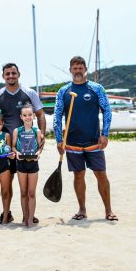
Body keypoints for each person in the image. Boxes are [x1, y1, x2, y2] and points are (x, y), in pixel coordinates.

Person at [54, 55, 118, 222]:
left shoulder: (97, 88)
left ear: (85, 69)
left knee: (101, 174)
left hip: (94, 141)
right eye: (75, 68)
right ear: (70, 70)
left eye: (80, 68)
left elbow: (107, 111)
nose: (78, 71)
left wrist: (105, 134)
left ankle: (108, 210)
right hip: (72, 142)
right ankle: (82, 210)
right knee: (78, 175)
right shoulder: (63, 91)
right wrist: (59, 139)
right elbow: (57, 116)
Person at [0, 62, 46, 223]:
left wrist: (42, 137)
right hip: (5, 148)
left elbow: (40, 115)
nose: (11, 76)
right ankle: (7, 213)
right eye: (7, 74)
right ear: (3, 76)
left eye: (13, 73)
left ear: (18, 74)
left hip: (27, 148)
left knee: (27, 185)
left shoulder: (30, 93)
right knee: (8, 182)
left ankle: (28, 214)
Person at [12, 104, 42, 227]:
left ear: (34, 116)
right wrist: (16, 152)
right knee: (23, 192)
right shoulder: (17, 131)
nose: (27, 117)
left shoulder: (37, 131)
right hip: (21, 163)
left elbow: (39, 148)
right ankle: (24, 217)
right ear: (21, 117)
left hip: (33, 164)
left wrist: (39, 153)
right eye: (25, 115)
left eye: (30, 115)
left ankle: (30, 219)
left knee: (31, 193)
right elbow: (13, 146)